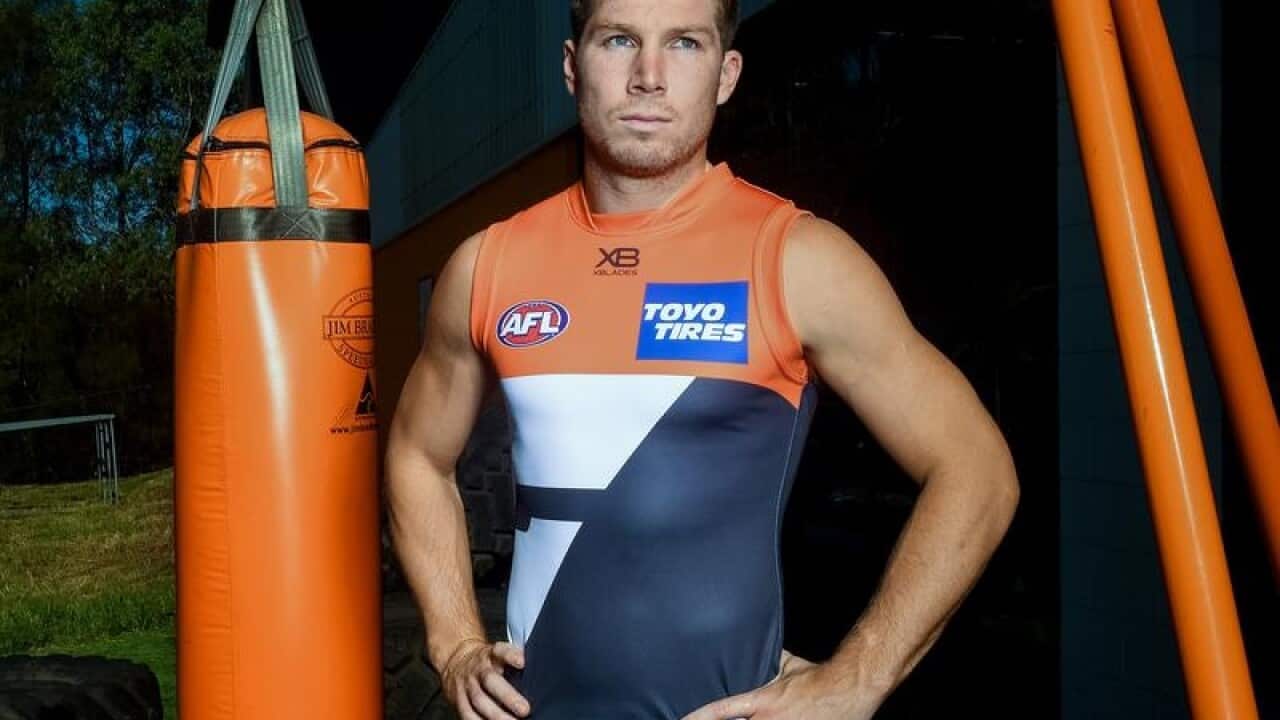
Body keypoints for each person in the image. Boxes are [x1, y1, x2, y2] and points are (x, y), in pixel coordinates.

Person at [384, 0, 1020, 717]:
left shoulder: (797, 260)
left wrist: (861, 675)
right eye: (618, 40)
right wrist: (454, 643)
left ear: (726, 74)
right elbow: (416, 455)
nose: (649, 75)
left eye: (684, 43)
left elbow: (975, 467)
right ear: (572, 67)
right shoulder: (488, 265)